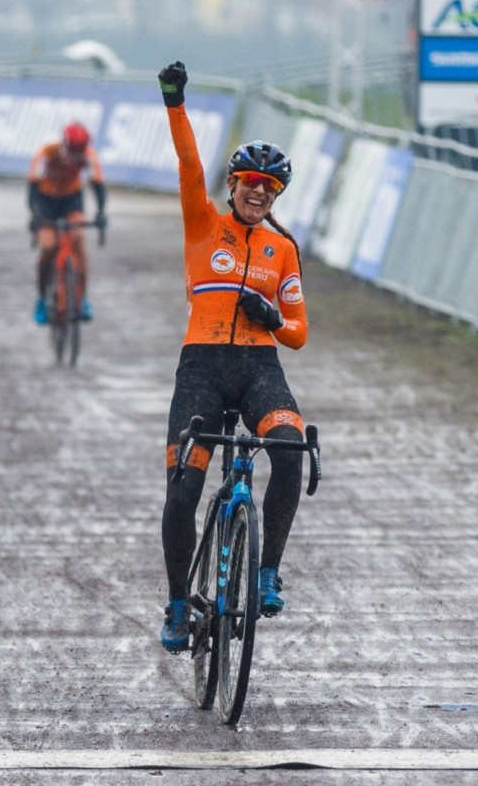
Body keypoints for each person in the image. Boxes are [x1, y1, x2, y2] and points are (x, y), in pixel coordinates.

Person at [154, 60, 309, 653]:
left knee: (290, 447)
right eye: (249, 182)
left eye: (268, 188)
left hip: (257, 371)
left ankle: (267, 572)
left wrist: (275, 318)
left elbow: (298, 334)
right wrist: (175, 103)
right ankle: (175, 606)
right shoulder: (203, 224)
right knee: (183, 492)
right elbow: (190, 165)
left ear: (275, 197)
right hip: (201, 370)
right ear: (234, 185)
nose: (257, 192)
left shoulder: (282, 249)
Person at [27, 122, 106, 324]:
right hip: (45, 202)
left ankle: (83, 299)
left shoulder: (88, 156)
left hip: (71, 201)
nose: (73, 160)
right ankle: (42, 300)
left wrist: (100, 213)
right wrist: (36, 215)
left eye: (77, 156)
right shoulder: (47, 153)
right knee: (48, 247)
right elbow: (33, 187)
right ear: (63, 145)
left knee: (79, 239)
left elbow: (97, 185)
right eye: (70, 154)